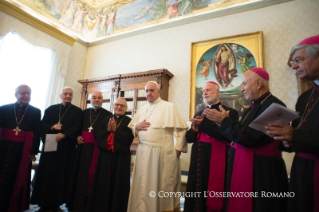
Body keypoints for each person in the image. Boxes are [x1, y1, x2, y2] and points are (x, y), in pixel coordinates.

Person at [204, 68, 288, 212]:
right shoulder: (253, 106)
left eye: (244, 84)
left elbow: (249, 137)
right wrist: (223, 122)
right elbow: (242, 132)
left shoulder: (276, 106)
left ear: (258, 83)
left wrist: (224, 122)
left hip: (263, 170)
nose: (242, 89)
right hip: (247, 164)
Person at [266, 35, 319, 212]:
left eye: (299, 60)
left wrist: (294, 135)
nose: (294, 66)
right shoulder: (305, 96)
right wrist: (287, 140)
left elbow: (298, 134)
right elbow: (296, 133)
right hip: (302, 171)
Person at [127, 81, 188, 212]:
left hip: (162, 155)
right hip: (143, 151)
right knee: (142, 186)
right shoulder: (142, 109)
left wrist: (177, 148)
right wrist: (136, 128)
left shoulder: (169, 107)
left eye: (152, 90)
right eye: (147, 91)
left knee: (157, 186)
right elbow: (133, 128)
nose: (149, 93)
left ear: (159, 92)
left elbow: (182, 130)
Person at [184, 81, 238, 212]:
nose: (204, 93)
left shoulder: (230, 112)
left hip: (217, 161)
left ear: (218, 91)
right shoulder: (200, 112)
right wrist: (195, 128)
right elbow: (189, 138)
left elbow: (227, 135)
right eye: (203, 91)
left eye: (208, 90)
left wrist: (202, 125)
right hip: (198, 162)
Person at [31, 86, 82, 212]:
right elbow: (42, 125)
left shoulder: (77, 111)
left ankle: (57, 204)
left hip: (66, 149)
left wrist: (64, 134)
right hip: (50, 148)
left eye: (70, 94)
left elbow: (77, 127)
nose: (68, 96)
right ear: (60, 95)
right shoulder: (51, 109)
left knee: (62, 176)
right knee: (47, 175)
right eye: (65, 94)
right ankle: (43, 203)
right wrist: (52, 127)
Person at [85, 97, 134, 212]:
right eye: (117, 105)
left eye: (122, 106)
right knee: (102, 183)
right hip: (105, 157)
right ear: (113, 105)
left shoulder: (129, 121)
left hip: (120, 158)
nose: (119, 107)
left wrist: (115, 130)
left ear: (126, 108)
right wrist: (107, 130)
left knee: (118, 185)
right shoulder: (105, 119)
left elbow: (128, 138)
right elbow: (97, 134)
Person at [66, 91, 112, 212]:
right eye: (94, 97)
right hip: (82, 149)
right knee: (79, 175)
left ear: (103, 100)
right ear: (90, 99)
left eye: (99, 98)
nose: (96, 100)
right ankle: (75, 204)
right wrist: (77, 136)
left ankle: (90, 205)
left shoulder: (108, 115)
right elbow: (77, 127)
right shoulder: (84, 112)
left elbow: (108, 134)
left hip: (97, 150)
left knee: (93, 176)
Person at [0, 84, 41, 212]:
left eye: (28, 93)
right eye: (23, 93)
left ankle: (14, 205)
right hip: (3, 148)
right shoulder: (4, 109)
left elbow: (37, 132)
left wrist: (34, 151)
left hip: (23, 150)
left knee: (17, 176)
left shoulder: (35, 112)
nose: (26, 96)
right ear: (16, 94)